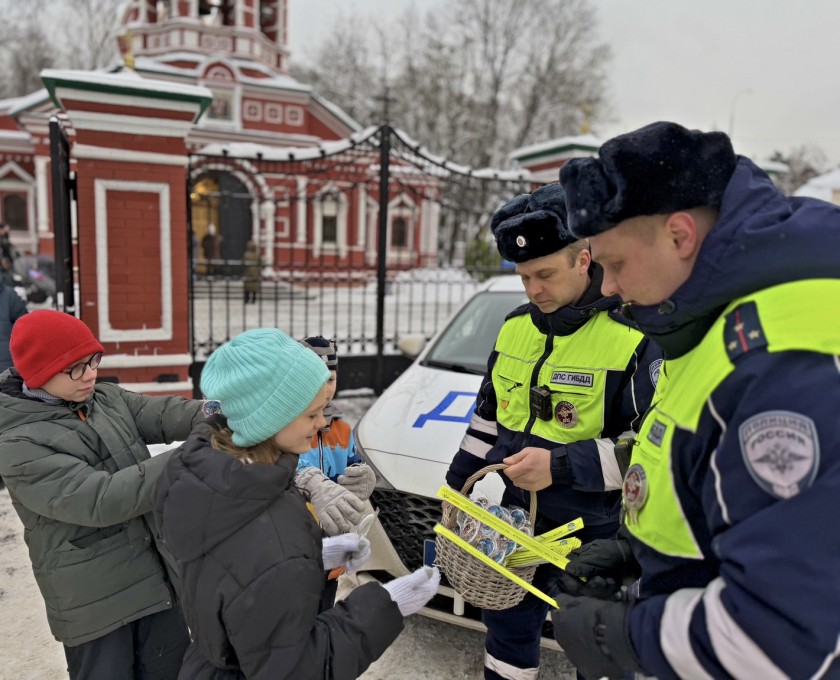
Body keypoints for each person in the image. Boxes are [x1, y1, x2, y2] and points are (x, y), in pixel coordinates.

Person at [550, 121, 840, 680]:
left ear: (680, 235)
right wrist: (640, 553)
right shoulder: (711, 316)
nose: (606, 288)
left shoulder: (785, 364)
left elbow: (782, 640)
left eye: (614, 263)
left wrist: (624, 640)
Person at [445, 183, 661, 680]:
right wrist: (457, 489)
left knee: (595, 647)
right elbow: (486, 419)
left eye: (544, 274)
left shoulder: (633, 337)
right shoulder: (514, 327)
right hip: (517, 525)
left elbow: (650, 451)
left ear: (584, 258)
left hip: (595, 538)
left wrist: (559, 466)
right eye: (523, 278)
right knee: (506, 635)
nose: (533, 289)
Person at [153, 328, 440, 679]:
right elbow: (298, 668)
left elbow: (235, 570)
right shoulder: (270, 521)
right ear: (269, 417)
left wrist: (314, 555)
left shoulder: (208, 478)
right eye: (310, 415)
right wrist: (385, 605)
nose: (322, 423)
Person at [0, 310, 205, 679]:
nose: (91, 373)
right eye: (75, 368)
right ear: (40, 372)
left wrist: (216, 414)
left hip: (156, 581)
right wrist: (196, 454)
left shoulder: (104, 398)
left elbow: (161, 414)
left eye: (93, 360)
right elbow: (100, 499)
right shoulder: (18, 443)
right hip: (96, 608)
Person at [242, 240, 260, 304]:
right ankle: (253, 300)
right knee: (254, 288)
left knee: (247, 287)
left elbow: (243, 263)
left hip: (248, 272)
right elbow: (260, 263)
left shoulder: (246, 254)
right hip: (255, 272)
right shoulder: (257, 255)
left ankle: (246, 299)